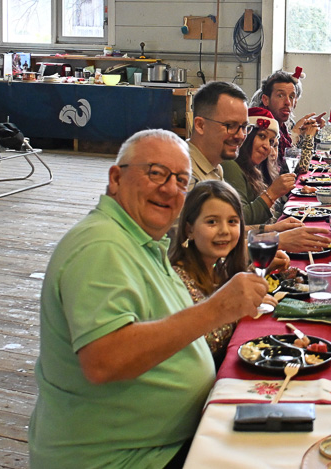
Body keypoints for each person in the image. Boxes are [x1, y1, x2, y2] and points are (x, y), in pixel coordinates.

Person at [29, 129, 268, 468]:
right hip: (122, 458)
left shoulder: (139, 242)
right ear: (116, 178)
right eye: (156, 173)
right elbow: (105, 360)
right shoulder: (101, 246)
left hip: (163, 442)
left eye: (181, 181)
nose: (170, 189)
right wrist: (217, 309)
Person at [168, 180, 287, 368]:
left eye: (232, 221)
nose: (224, 231)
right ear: (189, 230)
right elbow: (203, 343)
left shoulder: (217, 266)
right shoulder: (178, 280)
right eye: (212, 222)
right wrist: (236, 310)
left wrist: (257, 273)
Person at [222, 107, 296, 225]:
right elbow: (239, 220)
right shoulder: (231, 165)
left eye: (271, 141)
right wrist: (272, 194)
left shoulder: (256, 169)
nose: (267, 146)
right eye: (262, 136)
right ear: (246, 136)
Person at [252, 69, 324, 173]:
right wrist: (306, 137)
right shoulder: (263, 126)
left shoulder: (281, 125)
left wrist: (302, 132)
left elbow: (292, 158)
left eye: (291, 97)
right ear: (265, 100)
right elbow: (296, 169)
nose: (287, 102)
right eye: (280, 95)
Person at [187, 80, 250, 187]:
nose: (240, 136)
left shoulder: (216, 167)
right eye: (230, 126)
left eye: (244, 127)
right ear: (200, 125)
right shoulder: (185, 176)